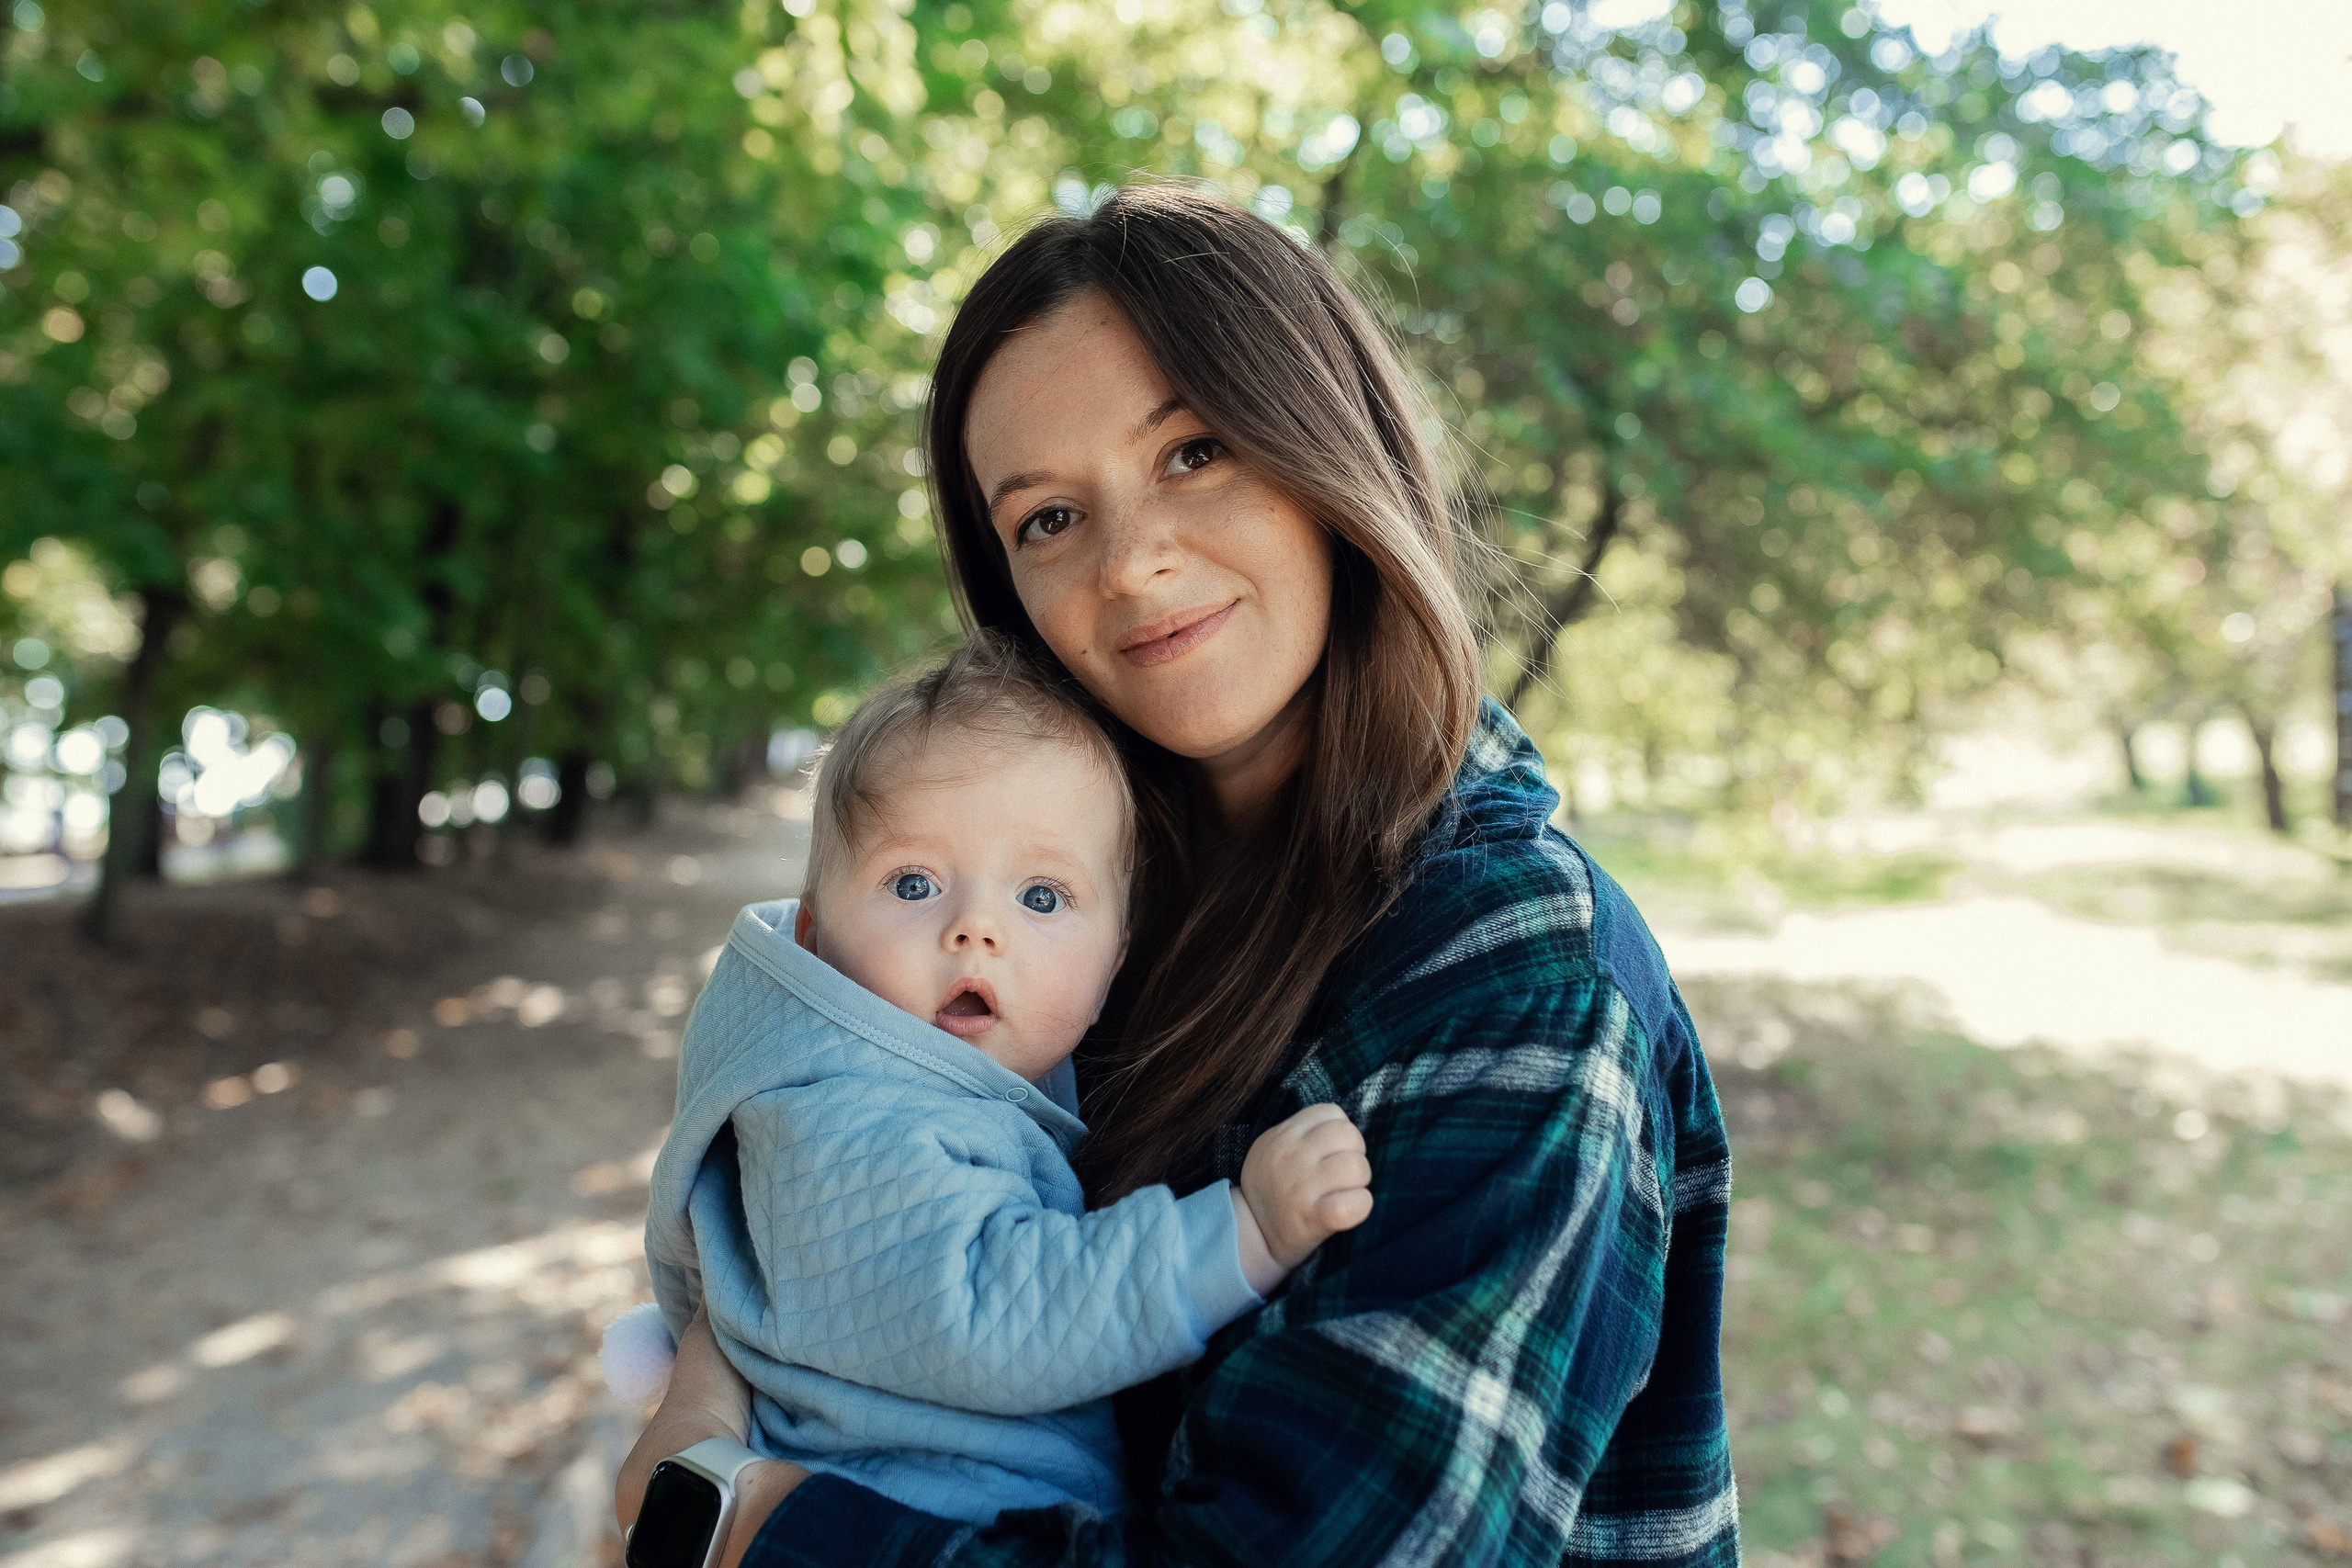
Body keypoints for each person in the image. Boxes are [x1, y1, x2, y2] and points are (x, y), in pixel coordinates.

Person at [618, 183, 1739, 1567]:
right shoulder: (1054, 935)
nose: (1133, 559)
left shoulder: (1517, 972)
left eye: (1194, 450)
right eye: (1045, 518)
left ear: (1332, 448)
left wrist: (738, 1518)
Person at [635, 632, 1374, 1523]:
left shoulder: (935, 1087)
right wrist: (1241, 1231)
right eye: (913, 884)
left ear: (1114, 964)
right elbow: (995, 1312)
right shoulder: (847, 1123)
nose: (976, 928)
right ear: (811, 936)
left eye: (1041, 897)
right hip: (918, 1512)